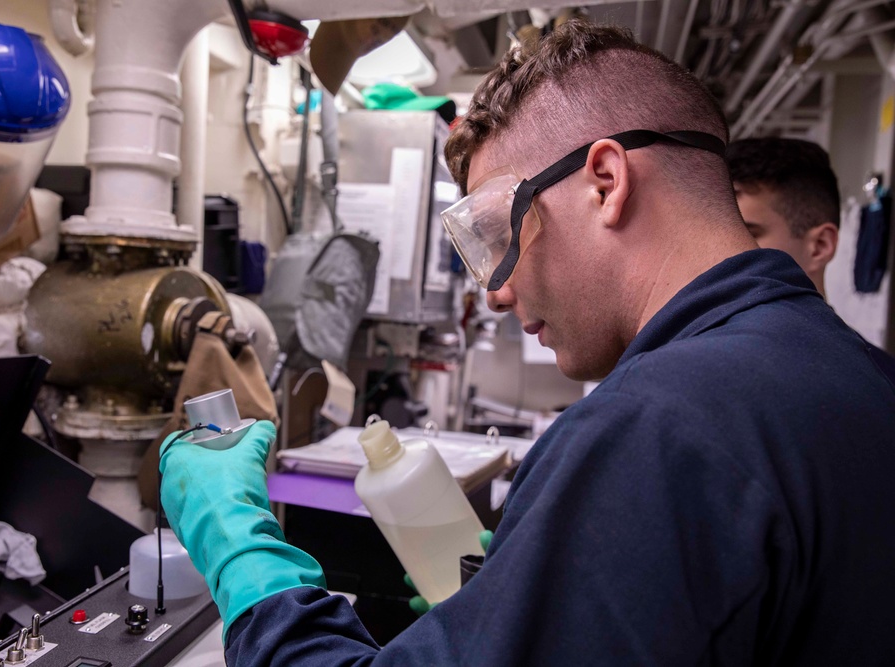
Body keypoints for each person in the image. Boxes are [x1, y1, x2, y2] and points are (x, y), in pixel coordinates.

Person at [159, 19, 895, 665]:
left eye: (496, 234)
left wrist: (245, 556)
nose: (496, 290)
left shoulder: (659, 427)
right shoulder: (858, 375)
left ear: (605, 180)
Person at [726, 136, 895, 379]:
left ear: (819, 246)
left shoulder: (881, 384)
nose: (719, 253)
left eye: (748, 233)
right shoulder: (690, 365)